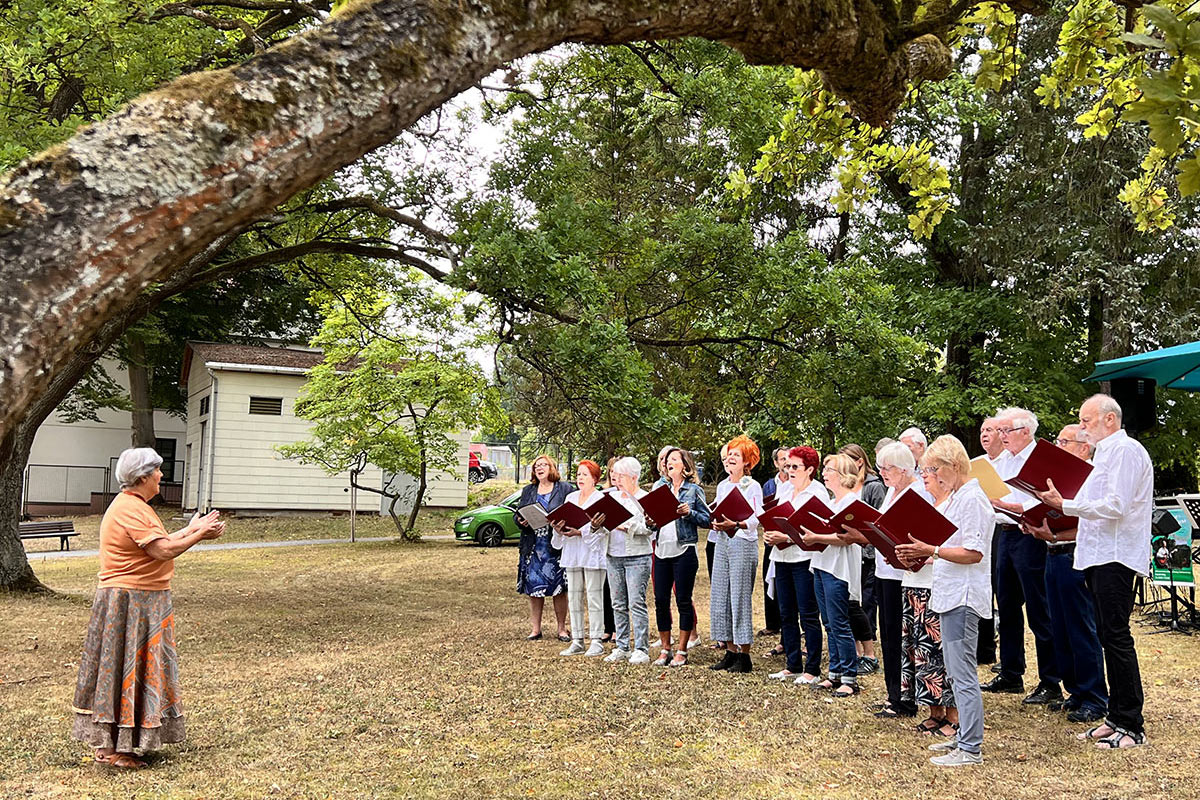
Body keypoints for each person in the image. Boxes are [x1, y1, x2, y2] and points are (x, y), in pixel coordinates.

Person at [72, 447, 225, 769]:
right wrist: (198, 535)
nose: (161, 476)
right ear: (142, 477)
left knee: (134, 671)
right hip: (130, 600)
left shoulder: (135, 506)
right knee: (124, 671)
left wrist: (194, 528)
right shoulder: (130, 508)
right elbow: (161, 550)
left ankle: (121, 744)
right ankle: (112, 749)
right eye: (157, 471)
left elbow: (161, 540)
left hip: (142, 598)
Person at [1037, 393, 1153, 749]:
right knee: (1106, 635)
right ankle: (1115, 716)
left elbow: (1116, 506)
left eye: (1086, 421)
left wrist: (1065, 504)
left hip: (1116, 555)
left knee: (1116, 636)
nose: (1082, 427)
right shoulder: (1105, 454)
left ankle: (1131, 723)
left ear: (1110, 420)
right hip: (1098, 554)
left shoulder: (1126, 450)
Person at [896, 435, 993, 767]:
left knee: (963, 674)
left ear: (953, 466)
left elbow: (973, 552)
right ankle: (964, 739)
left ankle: (970, 747)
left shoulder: (972, 499)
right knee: (954, 672)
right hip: (950, 593)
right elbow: (949, 550)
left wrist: (931, 551)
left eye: (934, 469)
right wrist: (924, 556)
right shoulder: (956, 498)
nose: (932, 476)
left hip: (964, 597)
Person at [1020, 425, 1107, 723]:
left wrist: (1055, 535)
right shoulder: (1059, 478)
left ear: (1085, 447)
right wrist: (1035, 526)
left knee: (1081, 627)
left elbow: (1092, 521)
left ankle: (1095, 696)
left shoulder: (1093, 477)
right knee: (1060, 625)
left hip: (1075, 555)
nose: (1058, 446)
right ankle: (1075, 691)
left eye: (1064, 441)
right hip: (1053, 553)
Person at [985, 408, 1061, 705]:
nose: (1001, 437)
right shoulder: (1002, 461)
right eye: (999, 431)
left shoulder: (1040, 459)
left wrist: (1005, 505)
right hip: (1006, 533)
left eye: (1006, 431)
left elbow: (1038, 504)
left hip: (1031, 535)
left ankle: (1050, 680)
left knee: (1039, 609)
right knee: (1006, 604)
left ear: (1026, 431)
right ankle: (1011, 671)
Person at [866, 442, 924, 720]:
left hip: (904, 574)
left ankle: (905, 699)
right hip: (883, 570)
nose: (882, 473)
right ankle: (892, 694)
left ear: (904, 469)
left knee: (902, 637)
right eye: (880, 468)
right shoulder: (890, 490)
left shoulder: (918, 491)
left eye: (887, 468)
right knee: (887, 635)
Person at [764, 446, 828, 684]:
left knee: (808, 614)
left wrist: (788, 538)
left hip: (804, 559)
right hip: (781, 558)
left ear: (810, 469)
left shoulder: (817, 492)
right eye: (787, 466)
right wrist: (771, 534)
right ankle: (792, 664)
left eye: (794, 467)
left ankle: (812, 668)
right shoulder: (784, 489)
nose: (789, 470)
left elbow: (817, 530)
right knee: (786, 612)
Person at [800, 454, 863, 696]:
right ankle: (835, 672)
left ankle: (849, 676)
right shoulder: (832, 502)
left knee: (839, 621)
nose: (824, 473)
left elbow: (846, 538)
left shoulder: (850, 502)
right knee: (828, 621)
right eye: (825, 469)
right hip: (822, 564)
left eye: (829, 470)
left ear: (843, 474)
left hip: (839, 568)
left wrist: (816, 537)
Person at [652, 448, 711, 667]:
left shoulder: (693, 490)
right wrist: (650, 520)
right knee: (660, 600)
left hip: (684, 550)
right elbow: (652, 519)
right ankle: (665, 648)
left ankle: (682, 650)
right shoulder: (659, 488)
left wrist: (689, 513)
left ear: (685, 465)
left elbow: (707, 520)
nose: (669, 463)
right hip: (661, 550)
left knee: (683, 600)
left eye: (674, 459)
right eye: (667, 460)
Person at [709, 435, 763, 674]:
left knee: (739, 597)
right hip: (722, 541)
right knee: (721, 595)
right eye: (729, 455)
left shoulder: (752, 486)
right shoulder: (722, 485)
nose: (730, 459)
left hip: (742, 542)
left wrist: (738, 523)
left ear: (746, 462)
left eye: (736, 456)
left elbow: (757, 518)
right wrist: (716, 522)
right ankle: (729, 650)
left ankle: (745, 654)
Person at [552, 460, 610, 657]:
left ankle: (596, 640)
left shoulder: (600, 499)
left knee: (594, 597)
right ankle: (577, 639)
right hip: (572, 552)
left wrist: (581, 532)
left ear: (595, 478)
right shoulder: (571, 497)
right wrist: (559, 529)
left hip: (592, 553)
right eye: (578, 475)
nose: (580, 478)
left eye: (585, 474)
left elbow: (603, 531)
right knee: (574, 596)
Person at [601, 457, 654, 664]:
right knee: (618, 603)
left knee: (636, 602)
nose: (617, 479)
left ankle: (641, 648)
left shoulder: (644, 498)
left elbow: (650, 528)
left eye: (621, 476)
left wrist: (626, 526)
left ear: (634, 477)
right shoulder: (612, 497)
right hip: (613, 555)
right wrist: (599, 523)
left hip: (637, 556)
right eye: (615, 475)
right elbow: (602, 525)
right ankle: (621, 646)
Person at [514, 454, 573, 641]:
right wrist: (520, 521)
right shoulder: (529, 490)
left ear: (551, 467)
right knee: (534, 588)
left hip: (555, 544)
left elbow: (573, 511)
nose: (539, 468)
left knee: (560, 588)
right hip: (533, 545)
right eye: (536, 466)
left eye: (543, 465)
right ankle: (535, 629)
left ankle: (562, 629)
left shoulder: (564, 488)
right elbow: (518, 514)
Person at [840, 443, 883, 674]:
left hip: (867, 553)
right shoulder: (844, 486)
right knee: (847, 603)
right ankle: (855, 650)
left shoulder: (874, 486)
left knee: (861, 603)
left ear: (859, 461)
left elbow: (879, 520)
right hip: (848, 551)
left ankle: (869, 654)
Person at [976, 416, 1004, 666]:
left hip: (1004, 527)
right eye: (982, 430)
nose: (984, 434)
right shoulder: (977, 464)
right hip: (982, 527)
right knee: (984, 585)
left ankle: (1008, 657)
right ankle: (984, 648)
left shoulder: (1010, 461)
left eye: (990, 430)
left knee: (1003, 592)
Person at [758, 446, 789, 638]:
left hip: (790, 539)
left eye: (789, 458)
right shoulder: (769, 484)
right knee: (769, 579)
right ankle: (772, 623)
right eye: (782, 459)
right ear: (776, 463)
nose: (786, 462)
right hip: (772, 539)